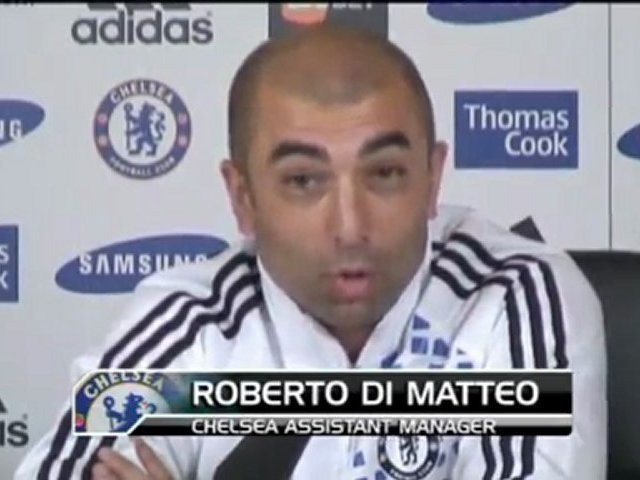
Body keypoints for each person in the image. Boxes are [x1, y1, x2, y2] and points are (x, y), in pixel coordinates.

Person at [15, 24, 606, 480]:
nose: (349, 227)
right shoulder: (189, 327)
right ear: (243, 197)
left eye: (385, 173)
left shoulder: (511, 298)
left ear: (432, 179)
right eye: (303, 181)